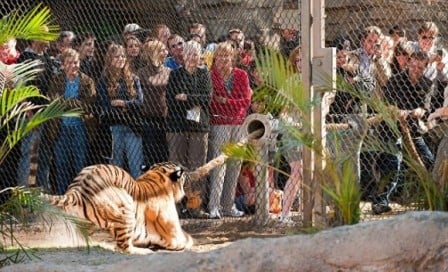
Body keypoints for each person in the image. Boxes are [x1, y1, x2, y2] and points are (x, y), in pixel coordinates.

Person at [378, 51, 436, 214]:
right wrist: (398, 111)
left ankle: (425, 198)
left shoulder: (427, 84)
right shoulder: (395, 80)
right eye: (414, 65)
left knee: (429, 160)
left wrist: (420, 111)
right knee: (393, 164)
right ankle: (381, 201)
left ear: (425, 68)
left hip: (413, 129)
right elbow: (386, 104)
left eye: (420, 67)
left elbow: (426, 108)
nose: (416, 69)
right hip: (392, 128)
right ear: (409, 62)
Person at [166, 40, 212, 215]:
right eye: (189, 54)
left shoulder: (204, 75)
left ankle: (195, 206)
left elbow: (206, 98)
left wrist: (186, 97)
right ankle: (176, 206)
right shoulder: (175, 75)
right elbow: (171, 99)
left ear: (200, 56)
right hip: (177, 125)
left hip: (199, 127)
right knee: (177, 166)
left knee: (197, 167)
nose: (192, 57)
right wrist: (195, 99)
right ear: (183, 55)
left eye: (195, 54)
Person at [207, 41, 252, 219]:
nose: (223, 59)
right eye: (220, 55)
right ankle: (214, 206)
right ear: (215, 58)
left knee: (234, 165)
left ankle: (228, 205)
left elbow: (246, 101)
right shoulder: (211, 76)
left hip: (239, 124)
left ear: (232, 57)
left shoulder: (241, 75)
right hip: (219, 124)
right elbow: (212, 103)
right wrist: (232, 103)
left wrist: (226, 102)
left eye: (226, 55)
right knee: (220, 165)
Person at [47, 48, 96, 194]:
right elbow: (52, 101)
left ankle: (79, 196)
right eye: (70, 63)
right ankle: (63, 197)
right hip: (60, 128)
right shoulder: (56, 80)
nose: (74, 65)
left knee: (79, 165)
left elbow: (88, 106)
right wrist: (75, 102)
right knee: (61, 165)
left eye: (76, 62)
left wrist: (65, 102)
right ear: (63, 64)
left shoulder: (87, 81)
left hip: (80, 127)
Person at [97, 43, 144, 178]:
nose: (121, 59)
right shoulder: (103, 80)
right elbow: (105, 106)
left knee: (136, 165)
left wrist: (123, 103)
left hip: (132, 126)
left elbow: (140, 102)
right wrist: (127, 106)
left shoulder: (134, 79)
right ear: (110, 59)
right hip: (114, 127)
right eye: (117, 56)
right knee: (115, 167)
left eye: (123, 56)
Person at [137, 40, 171, 166]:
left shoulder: (169, 72)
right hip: (148, 118)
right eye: (162, 50)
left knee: (164, 153)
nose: (165, 52)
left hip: (165, 119)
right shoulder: (142, 73)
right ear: (154, 53)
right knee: (150, 154)